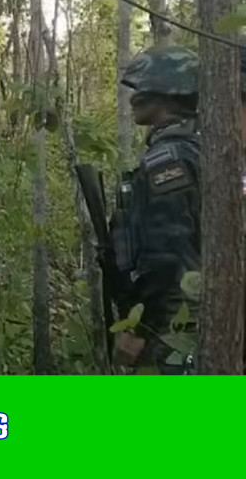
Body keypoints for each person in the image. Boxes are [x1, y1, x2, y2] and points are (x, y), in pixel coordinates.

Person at [109, 45, 200, 374]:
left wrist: (140, 329)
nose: (134, 98)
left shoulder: (168, 159)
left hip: (174, 325)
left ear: (167, 92)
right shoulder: (196, 147)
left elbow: (168, 257)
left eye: (142, 90)